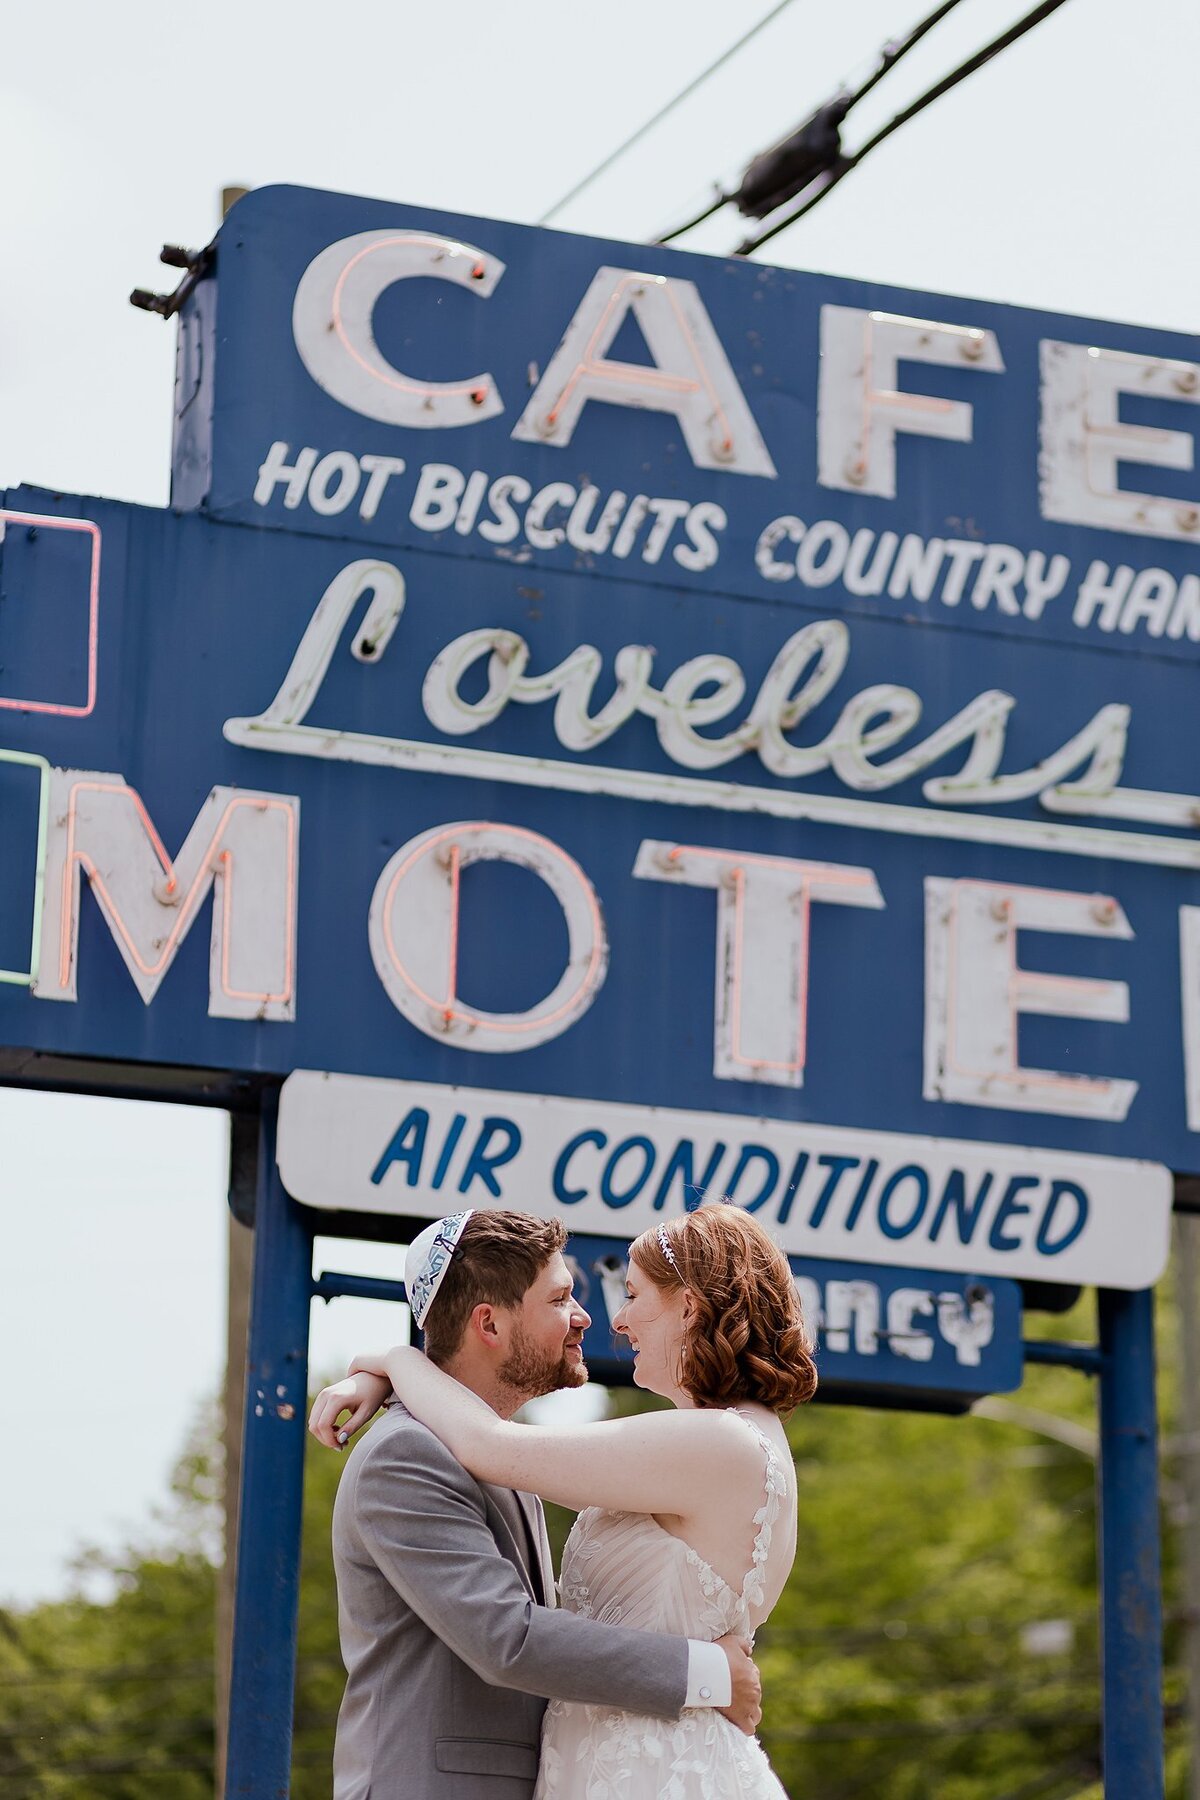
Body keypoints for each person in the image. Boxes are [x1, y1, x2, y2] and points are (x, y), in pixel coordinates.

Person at [311, 1204, 816, 1799]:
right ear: (489, 1325)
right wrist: (707, 1672)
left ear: (690, 1306)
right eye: (559, 1300)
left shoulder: (709, 1442)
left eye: (629, 1295)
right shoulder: (413, 1455)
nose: (600, 1319)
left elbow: (488, 1447)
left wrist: (395, 1363)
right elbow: (510, 1637)